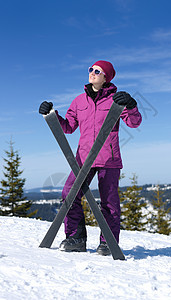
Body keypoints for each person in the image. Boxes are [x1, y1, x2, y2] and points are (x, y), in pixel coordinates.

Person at [39, 60, 142, 256]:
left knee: (109, 203)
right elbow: (68, 127)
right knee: (69, 194)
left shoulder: (116, 99)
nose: (92, 73)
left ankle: (107, 243)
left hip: (108, 159)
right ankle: (76, 238)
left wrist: (131, 104)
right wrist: (52, 115)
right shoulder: (79, 101)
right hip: (82, 159)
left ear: (106, 77)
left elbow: (134, 122)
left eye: (97, 71)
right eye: (91, 69)